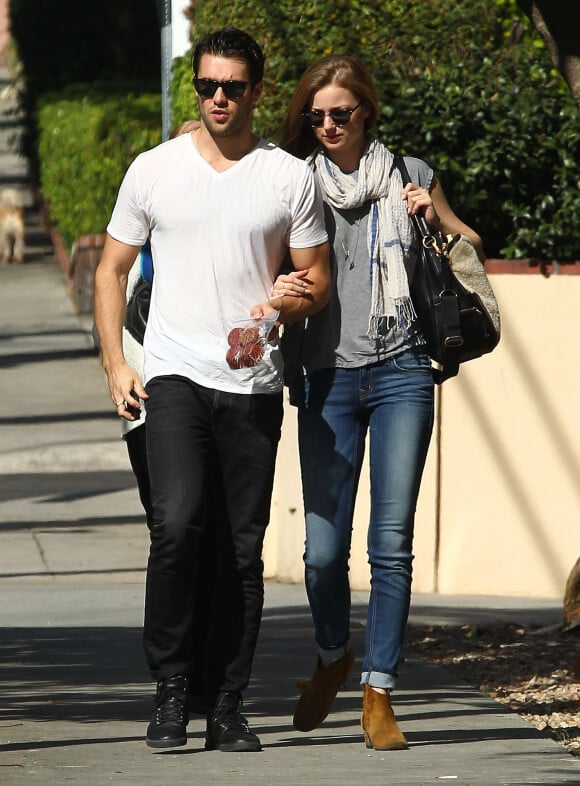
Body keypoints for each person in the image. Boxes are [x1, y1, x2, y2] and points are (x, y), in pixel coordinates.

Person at [94, 27, 330, 753]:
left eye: (232, 86)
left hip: (252, 383)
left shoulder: (287, 177)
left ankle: (227, 702)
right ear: (194, 89)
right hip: (170, 375)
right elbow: (110, 272)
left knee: (240, 550)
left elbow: (315, 283)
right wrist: (115, 365)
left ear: (257, 91)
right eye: (206, 87)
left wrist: (288, 303)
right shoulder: (155, 170)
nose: (218, 98)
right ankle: (171, 691)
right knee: (177, 527)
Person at [274, 54, 484, 751]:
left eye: (340, 113)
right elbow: (273, 268)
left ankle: (379, 691)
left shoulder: (411, 174)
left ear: (366, 110)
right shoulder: (295, 182)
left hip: (401, 371)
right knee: (322, 553)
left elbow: (469, 247)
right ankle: (333, 654)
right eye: (317, 115)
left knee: (390, 543)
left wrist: (438, 221)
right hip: (326, 378)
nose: (328, 125)